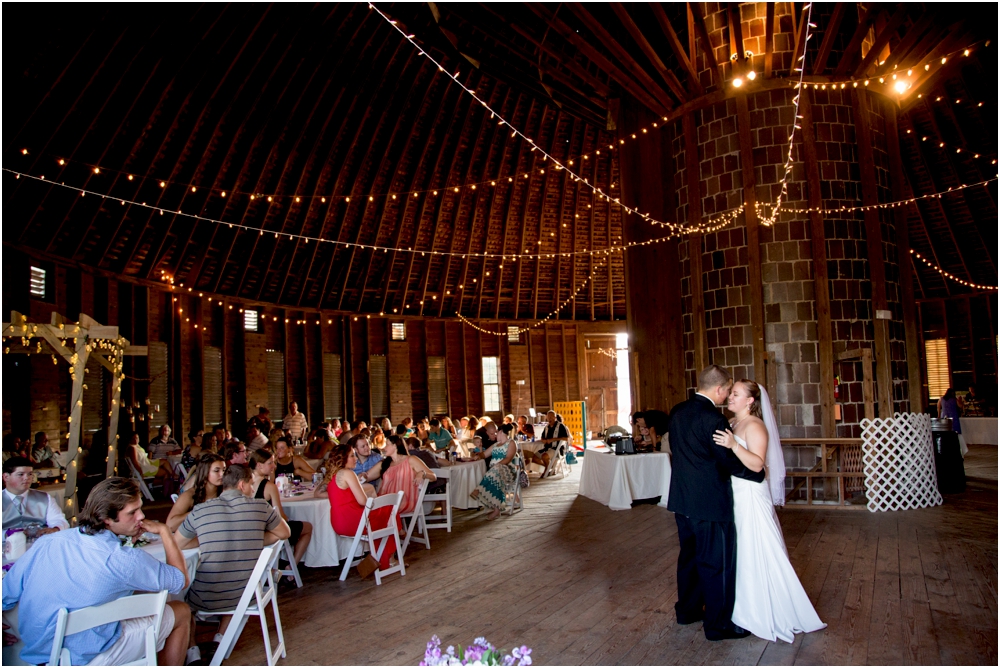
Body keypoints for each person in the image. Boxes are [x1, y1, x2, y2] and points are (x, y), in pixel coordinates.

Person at [2, 477, 191, 666]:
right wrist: (166, 532)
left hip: (38, 653)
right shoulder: (124, 560)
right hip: (89, 656)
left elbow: (5, 594)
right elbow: (180, 580)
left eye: (140, 508)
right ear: (106, 519)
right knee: (181, 611)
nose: (141, 516)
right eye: (132, 512)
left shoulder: (49, 542)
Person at [712, 379, 825, 642]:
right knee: (740, 549)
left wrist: (734, 446)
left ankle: (762, 611)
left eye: (736, 394)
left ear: (750, 401)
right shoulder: (733, 424)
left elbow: (757, 465)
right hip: (735, 494)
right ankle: (741, 607)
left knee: (756, 547)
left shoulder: (755, 425)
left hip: (751, 494)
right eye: (730, 393)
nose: (730, 397)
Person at [667, 365, 766, 641]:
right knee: (715, 564)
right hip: (709, 504)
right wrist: (757, 474)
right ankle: (718, 625)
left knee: (688, 559)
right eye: (728, 391)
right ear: (720, 389)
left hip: (682, 500)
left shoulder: (677, 411)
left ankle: (687, 612)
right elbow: (726, 461)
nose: (728, 397)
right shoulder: (713, 419)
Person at [175, 464, 289, 641]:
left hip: (205, 597)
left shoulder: (200, 510)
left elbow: (178, 543)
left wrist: (209, 539)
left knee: (182, 599)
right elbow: (284, 532)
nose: (253, 489)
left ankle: (192, 651)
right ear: (242, 485)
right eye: (251, 484)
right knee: (237, 583)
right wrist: (252, 538)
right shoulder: (261, 506)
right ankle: (220, 638)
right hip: (246, 594)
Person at [317, 443, 400, 574]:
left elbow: (320, 493)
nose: (355, 458)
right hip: (353, 521)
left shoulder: (331, 475)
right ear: (343, 458)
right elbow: (363, 501)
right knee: (389, 510)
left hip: (339, 522)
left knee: (386, 515)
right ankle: (390, 557)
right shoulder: (348, 473)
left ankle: (390, 551)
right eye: (352, 456)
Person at [247, 449, 313, 576]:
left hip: (252, 531)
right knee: (308, 527)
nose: (274, 466)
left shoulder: (245, 484)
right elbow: (281, 516)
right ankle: (291, 566)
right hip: (269, 532)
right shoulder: (269, 487)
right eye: (270, 463)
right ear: (259, 465)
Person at [2, 456, 69, 533]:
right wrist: (7, 534)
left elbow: (59, 520)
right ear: (6, 477)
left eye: (30, 474)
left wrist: (55, 529)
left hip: (40, 542)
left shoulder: (45, 498)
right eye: (20, 474)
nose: (26, 478)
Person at [378, 435, 437, 514]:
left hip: (403, 501)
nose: (384, 448)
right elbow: (370, 476)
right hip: (387, 500)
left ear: (395, 446)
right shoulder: (387, 463)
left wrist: (422, 473)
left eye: (387, 444)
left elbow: (433, 476)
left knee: (371, 511)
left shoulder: (410, 460)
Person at [166, 453, 226, 531]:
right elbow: (170, 526)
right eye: (216, 471)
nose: (222, 474)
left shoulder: (226, 492)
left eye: (224, 470)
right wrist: (198, 511)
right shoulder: (190, 495)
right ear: (205, 472)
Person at [469, 427, 518, 520]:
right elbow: (485, 454)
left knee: (495, 471)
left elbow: (508, 458)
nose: (495, 435)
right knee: (494, 476)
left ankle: (479, 490)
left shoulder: (511, 443)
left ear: (501, 432)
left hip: (508, 470)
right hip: (495, 473)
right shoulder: (495, 445)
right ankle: (497, 510)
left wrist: (496, 465)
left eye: (497, 433)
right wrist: (477, 455)